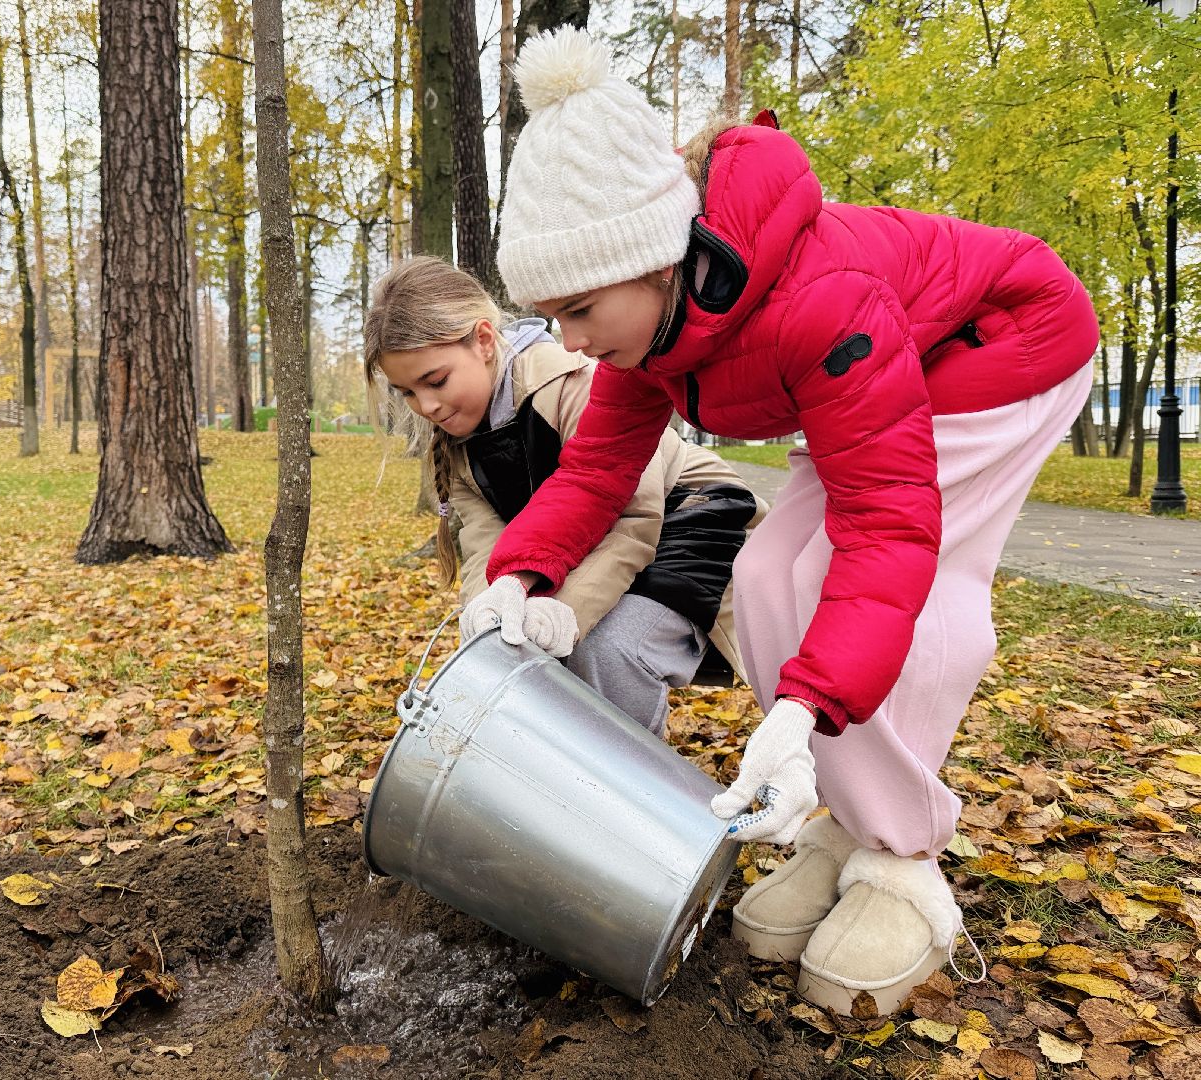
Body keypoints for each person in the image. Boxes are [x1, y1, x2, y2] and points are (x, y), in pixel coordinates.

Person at [464, 27, 1098, 1013]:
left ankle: (903, 860)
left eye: (580, 310)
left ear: (650, 259)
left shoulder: (817, 303)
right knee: (766, 578)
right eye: (553, 317)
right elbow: (594, 471)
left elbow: (891, 537)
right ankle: (850, 813)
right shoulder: (655, 336)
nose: (572, 342)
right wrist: (520, 574)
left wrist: (804, 714)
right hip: (889, 373)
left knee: (908, 594)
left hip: (1003, 349)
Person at [364, 255, 766, 737]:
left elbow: (631, 519)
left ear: (485, 341)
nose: (426, 406)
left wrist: (565, 614)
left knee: (607, 650)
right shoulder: (457, 446)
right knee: (520, 654)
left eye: (435, 381)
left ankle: (634, 798)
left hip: (691, 517)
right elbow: (484, 544)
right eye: (407, 393)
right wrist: (490, 615)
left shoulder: (576, 384)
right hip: (584, 544)